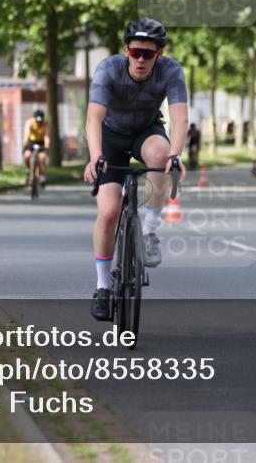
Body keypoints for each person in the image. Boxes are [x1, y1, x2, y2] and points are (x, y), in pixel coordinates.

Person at [82, 17, 188, 321]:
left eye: (148, 54)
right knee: (108, 212)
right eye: (135, 52)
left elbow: (180, 118)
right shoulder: (108, 68)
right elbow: (93, 118)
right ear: (126, 50)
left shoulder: (171, 71)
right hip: (110, 135)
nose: (141, 59)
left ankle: (151, 231)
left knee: (160, 154)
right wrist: (96, 156)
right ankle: (103, 286)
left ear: (159, 55)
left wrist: (176, 155)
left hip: (146, 130)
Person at [22, 109, 50, 186]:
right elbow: (26, 134)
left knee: (42, 158)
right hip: (31, 141)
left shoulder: (46, 124)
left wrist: (47, 148)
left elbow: (46, 137)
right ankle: (28, 169)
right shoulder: (30, 122)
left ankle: (42, 176)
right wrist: (25, 146)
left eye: (40, 121)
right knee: (27, 156)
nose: (39, 123)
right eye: (37, 121)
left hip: (41, 142)